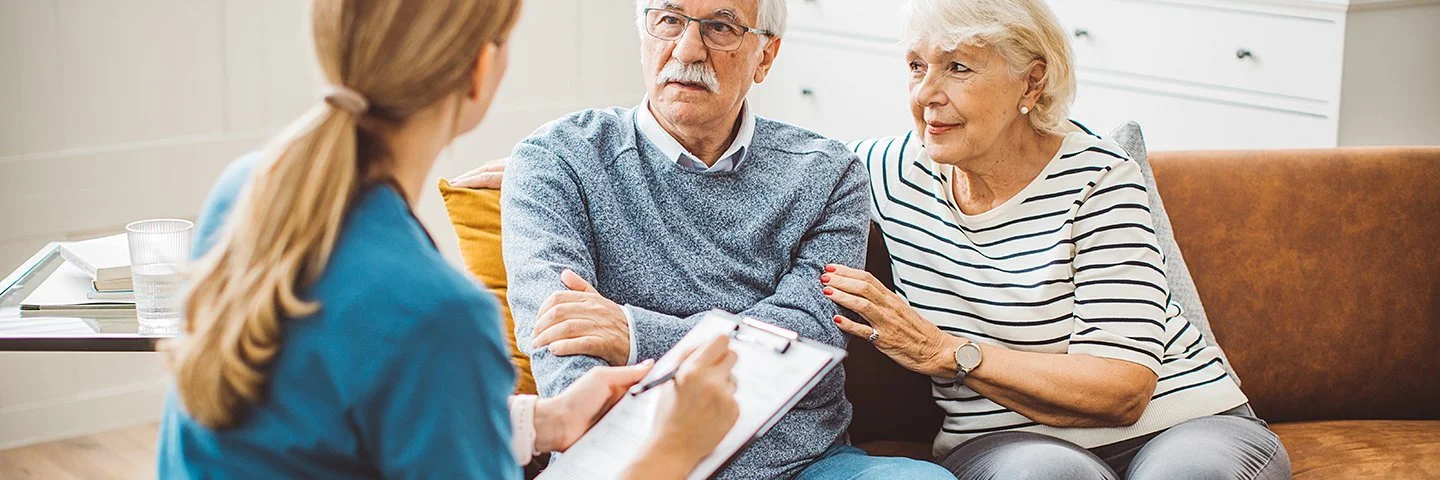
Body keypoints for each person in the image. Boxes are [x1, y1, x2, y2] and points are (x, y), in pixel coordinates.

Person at [155, 1, 740, 478]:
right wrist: (671, 453)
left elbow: (331, 425)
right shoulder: (439, 317)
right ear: (480, 69)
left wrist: (545, 421)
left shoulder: (246, 189)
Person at [819, 0, 1292, 478]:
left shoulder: (1100, 177)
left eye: (958, 67)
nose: (925, 94)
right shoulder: (888, 171)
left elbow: (1123, 390)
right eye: (916, 66)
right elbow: (787, 167)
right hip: (1007, 443)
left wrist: (946, 352)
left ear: (1031, 82)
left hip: (1183, 421)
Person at [489, 0, 955, 478]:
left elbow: (807, 339)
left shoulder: (829, 173)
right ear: (643, 34)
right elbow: (564, 350)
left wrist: (632, 335)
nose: (687, 49)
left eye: (720, 27)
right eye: (669, 20)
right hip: (631, 462)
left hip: (802, 465)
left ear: (765, 56)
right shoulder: (555, 160)